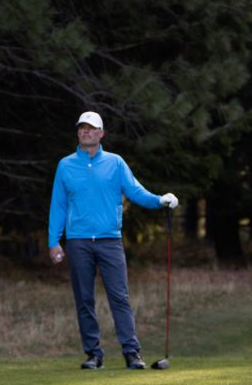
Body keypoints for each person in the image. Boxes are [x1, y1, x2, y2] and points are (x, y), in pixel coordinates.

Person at [48, 111, 178, 370]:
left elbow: (135, 191)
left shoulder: (115, 163)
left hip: (110, 241)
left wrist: (159, 200)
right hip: (78, 241)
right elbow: (58, 206)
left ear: (101, 133)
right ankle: (93, 355)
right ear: (78, 132)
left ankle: (132, 353)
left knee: (120, 297)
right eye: (82, 128)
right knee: (84, 299)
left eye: (91, 128)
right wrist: (54, 241)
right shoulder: (66, 165)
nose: (86, 131)